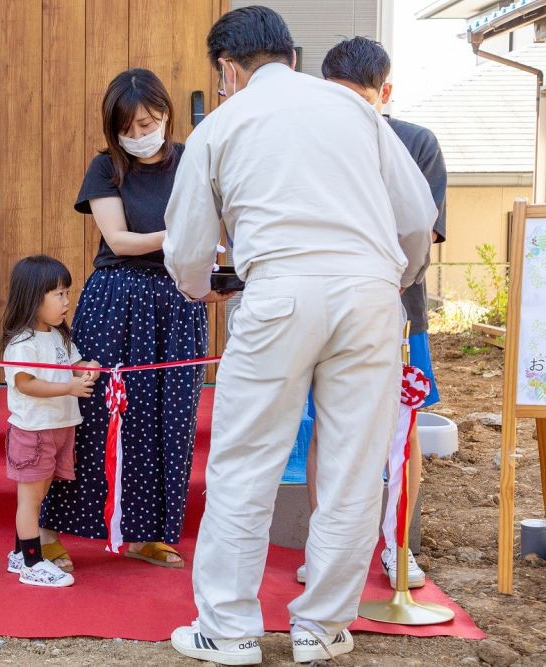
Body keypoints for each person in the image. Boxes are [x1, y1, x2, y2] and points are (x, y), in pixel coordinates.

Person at [163, 7, 435, 665]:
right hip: (371, 293)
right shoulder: (357, 111)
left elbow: (188, 248)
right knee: (351, 466)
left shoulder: (221, 125)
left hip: (279, 291)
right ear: (290, 54)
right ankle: (322, 627)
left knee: (245, 458)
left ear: (229, 69)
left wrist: (203, 284)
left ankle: (228, 631)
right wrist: (386, 280)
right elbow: (416, 220)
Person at [38, 69, 209, 571]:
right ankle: (47, 533)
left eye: (148, 123)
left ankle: (148, 533)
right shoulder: (105, 167)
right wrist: (182, 234)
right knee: (91, 417)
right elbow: (119, 240)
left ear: (166, 114)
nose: (138, 135)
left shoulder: (192, 162)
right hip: (118, 299)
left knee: (170, 422)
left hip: (179, 304)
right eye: (127, 128)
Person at [293, 36, 449, 591]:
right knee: (322, 426)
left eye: (360, 100)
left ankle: (397, 546)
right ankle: (323, 547)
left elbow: (424, 232)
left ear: (385, 93)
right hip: (322, 308)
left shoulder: (415, 142)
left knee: (400, 429)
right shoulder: (305, 141)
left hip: (398, 308)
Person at [0, 256, 101, 588]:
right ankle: (31, 563)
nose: (66, 301)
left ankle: (20, 553)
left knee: (40, 494)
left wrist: (87, 367)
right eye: (58, 294)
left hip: (60, 428)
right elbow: (25, 384)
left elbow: (72, 365)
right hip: (34, 432)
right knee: (30, 498)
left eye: (66, 293)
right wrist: (69, 387)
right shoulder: (22, 344)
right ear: (33, 296)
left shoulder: (58, 336)